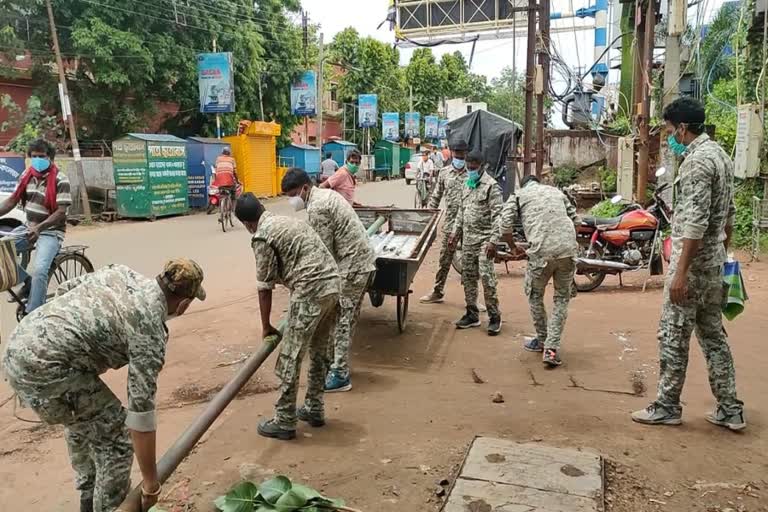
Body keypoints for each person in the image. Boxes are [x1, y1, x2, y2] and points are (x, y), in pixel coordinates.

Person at [3, 259, 206, 512]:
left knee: (85, 419)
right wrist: (151, 484)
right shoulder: (149, 328)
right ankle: (111, 508)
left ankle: (87, 499)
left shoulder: (121, 272)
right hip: (45, 369)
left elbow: (67, 288)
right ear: (184, 304)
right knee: (117, 439)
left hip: (21, 342)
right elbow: (140, 414)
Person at [631, 97, 745, 430]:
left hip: (692, 268)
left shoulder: (696, 163)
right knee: (713, 336)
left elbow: (694, 224)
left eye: (669, 131)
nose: (669, 137)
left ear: (682, 128)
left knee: (673, 335)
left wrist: (680, 273)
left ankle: (667, 405)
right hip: (713, 265)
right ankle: (730, 407)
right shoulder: (721, 156)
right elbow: (728, 217)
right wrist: (724, 255)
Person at [235, 192, 341, 440]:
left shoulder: (261, 236)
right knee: (319, 351)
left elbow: (264, 287)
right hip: (333, 285)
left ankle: (284, 419)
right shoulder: (285, 221)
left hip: (311, 290)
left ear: (247, 224)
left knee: (290, 356)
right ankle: (314, 408)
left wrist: (266, 326)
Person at [281, 168, 376, 393]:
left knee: (342, 318)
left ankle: (340, 374)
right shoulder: (325, 195)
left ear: (305, 188)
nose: (292, 200)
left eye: (293, 194)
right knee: (346, 317)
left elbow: (322, 252)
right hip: (361, 262)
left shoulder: (318, 206)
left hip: (353, 265)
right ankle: (334, 363)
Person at [497, 175, 579, 367]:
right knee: (561, 299)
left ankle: (542, 339)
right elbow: (577, 222)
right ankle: (552, 348)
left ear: (524, 184)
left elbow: (505, 226)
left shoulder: (519, 194)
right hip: (567, 251)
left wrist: (513, 246)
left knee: (535, 295)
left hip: (541, 253)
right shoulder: (556, 192)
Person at [0, 138, 71, 315]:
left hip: (50, 232)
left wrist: (39, 228)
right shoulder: (27, 175)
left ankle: (34, 315)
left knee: (40, 270)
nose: (37, 160)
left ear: (50, 158)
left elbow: (61, 212)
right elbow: (11, 201)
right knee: (2, 250)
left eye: (41, 156)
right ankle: (28, 282)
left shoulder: (61, 180)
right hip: (27, 228)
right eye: (34, 156)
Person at [449, 151, 503, 335]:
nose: (470, 170)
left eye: (474, 168)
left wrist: (494, 241)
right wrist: (455, 233)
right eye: (468, 167)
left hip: (485, 241)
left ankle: (494, 316)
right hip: (468, 241)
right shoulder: (467, 184)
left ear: (482, 166)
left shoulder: (491, 187)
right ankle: (471, 313)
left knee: (487, 278)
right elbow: (461, 212)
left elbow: (498, 216)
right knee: (468, 277)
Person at [419, 140, 469, 304]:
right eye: (457, 154)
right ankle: (438, 291)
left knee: (469, 262)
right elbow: (436, 196)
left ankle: (472, 299)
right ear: (452, 153)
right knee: (445, 259)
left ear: (466, 154)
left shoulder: (472, 174)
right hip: (450, 223)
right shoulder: (444, 173)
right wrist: (429, 216)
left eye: (462, 155)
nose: (459, 157)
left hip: (469, 224)